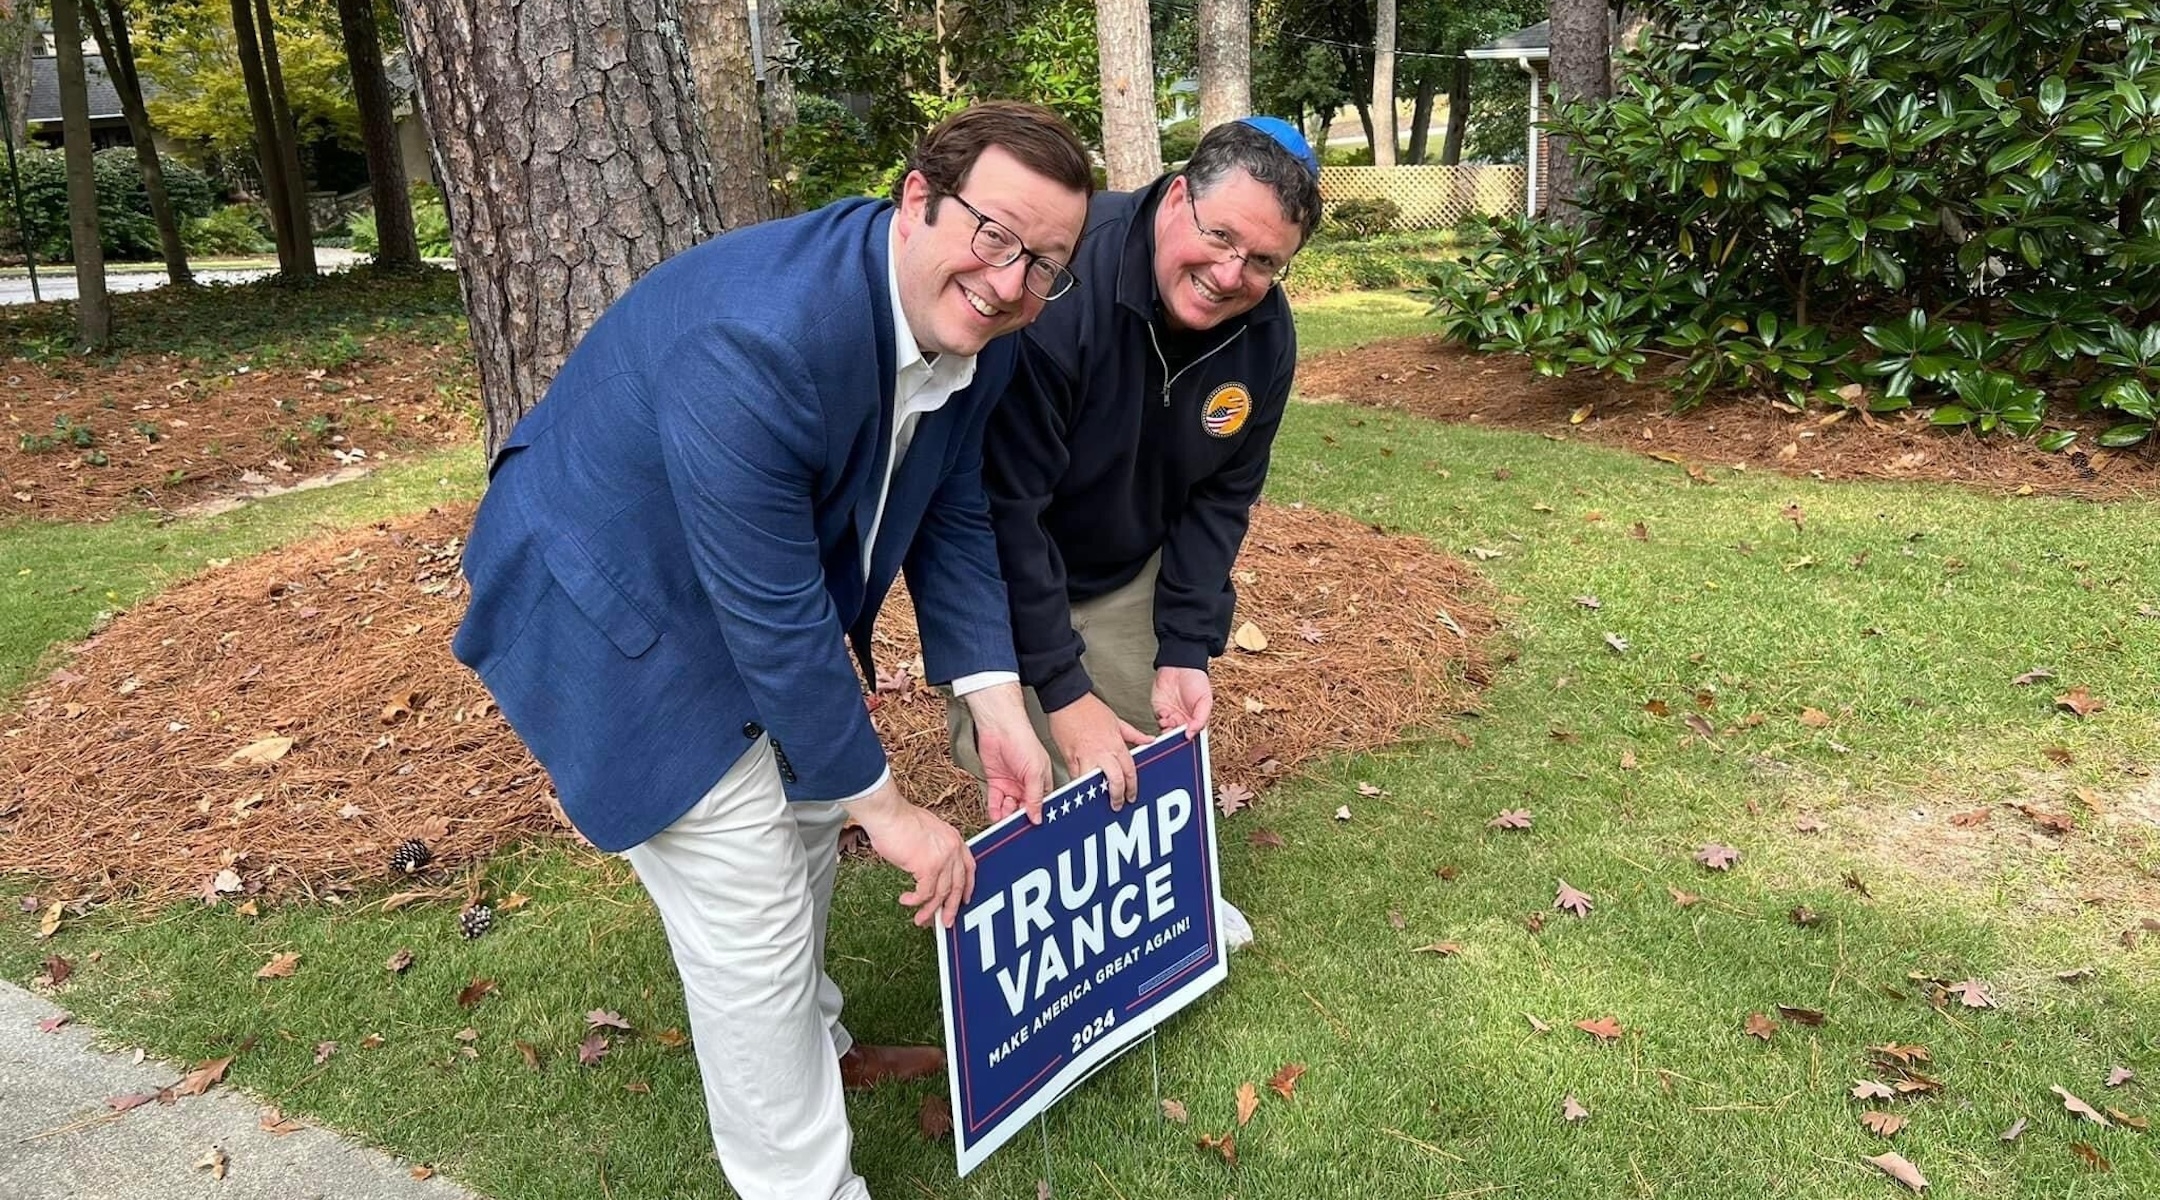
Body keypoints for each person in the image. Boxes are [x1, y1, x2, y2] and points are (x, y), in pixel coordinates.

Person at [451, 102, 1091, 1200]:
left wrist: (994, 701)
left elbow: (955, 510)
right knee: (747, 901)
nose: (1010, 280)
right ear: (917, 200)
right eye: (995, 234)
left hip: (742, 582)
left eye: (1045, 263)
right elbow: (774, 611)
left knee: (804, 820)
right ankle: (802, 1184)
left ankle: (822, 1051)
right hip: (613, 601)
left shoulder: (974, 333)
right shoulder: (758, 338)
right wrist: (888, 812)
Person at [948, 117, 1321, 819]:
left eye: (1266, 262)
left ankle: (1167, 899)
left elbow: (1221, 496)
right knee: (1035, 764)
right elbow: (1006, 509)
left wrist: (1185, 643)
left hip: (1127, 560)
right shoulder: (1061, 284)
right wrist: (1060, 684)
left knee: (1133, 755)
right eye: (1220, 238)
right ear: (1177, 197)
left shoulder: (1266, 335)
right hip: (1007, 553)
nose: (1230, 276)